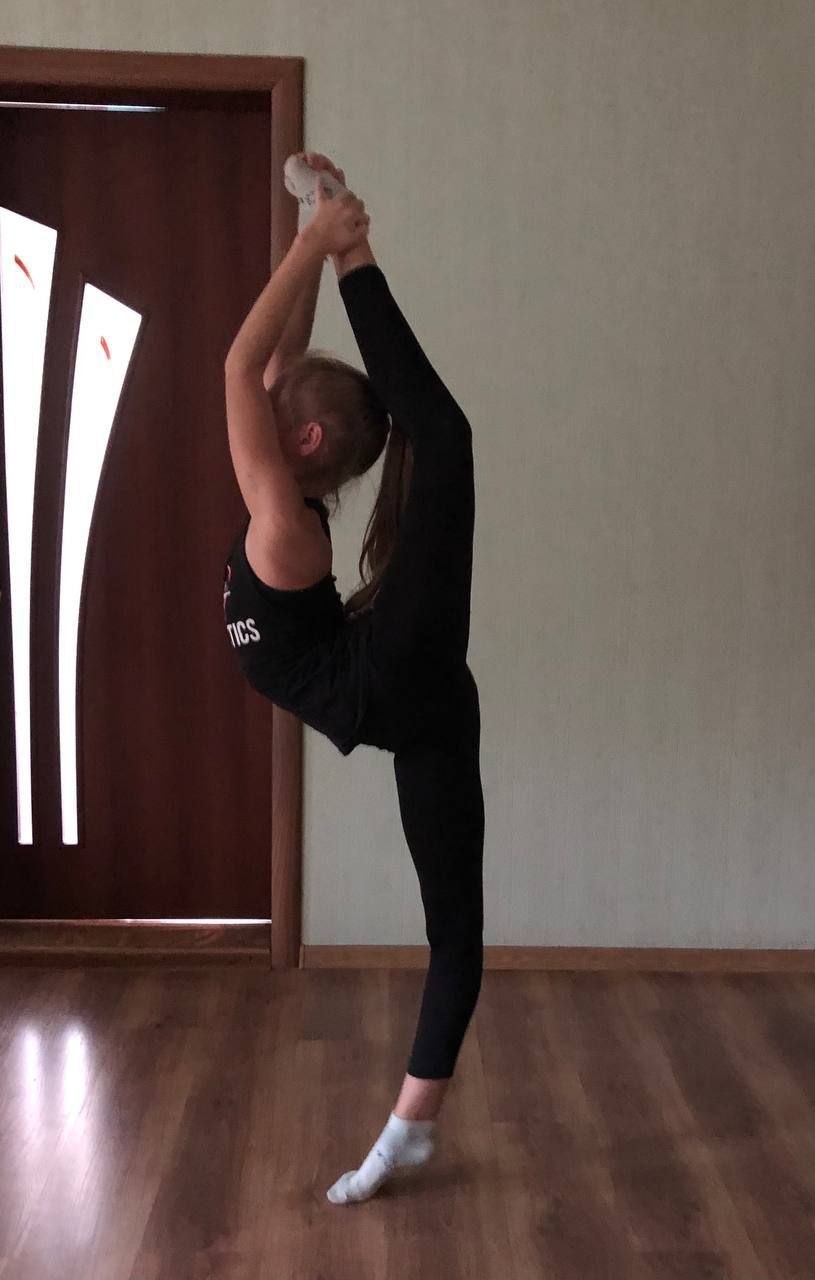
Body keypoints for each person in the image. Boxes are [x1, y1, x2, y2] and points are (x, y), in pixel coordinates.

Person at [223, 153, 484, 1204]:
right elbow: (269, 367)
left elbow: (242, 369)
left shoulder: (282, 517)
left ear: (302, 439)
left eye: (279, 407)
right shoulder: (283, 503)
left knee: (447, 440)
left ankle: (409, 1128)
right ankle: (412, 1129)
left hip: (396, 682)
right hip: (415, 698)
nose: (262, 404)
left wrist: (323, 242)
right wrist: (319, 224)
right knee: (455, 931)